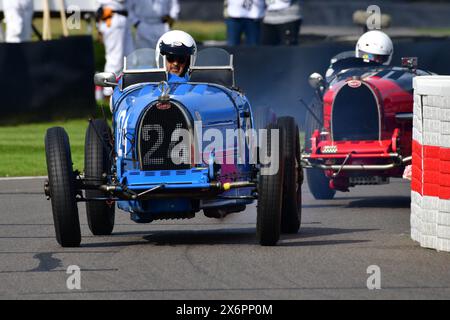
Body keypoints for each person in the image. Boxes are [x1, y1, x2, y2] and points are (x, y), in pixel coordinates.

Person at [96, 0, 134, 96]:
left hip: (122, 17)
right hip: (113, 17)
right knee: (115, 60)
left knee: (130, 58)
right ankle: (108, 93)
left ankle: (125, 90)